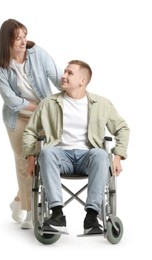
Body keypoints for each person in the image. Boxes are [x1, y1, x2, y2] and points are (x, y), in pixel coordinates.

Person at [22, 60, 130, 234]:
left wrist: (118, 156)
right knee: (46, 151)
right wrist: (30, 158)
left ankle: (92, 217)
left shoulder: (102, 104)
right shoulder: (49, 103)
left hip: (88, 158)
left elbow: (122, 128)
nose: (63, 76)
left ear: (83, 80)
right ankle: (57, 214)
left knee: (101, 154)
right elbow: (30, 131)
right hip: (60, 157)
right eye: (65, 72)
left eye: (69, 73)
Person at [0, 19, 63, 229]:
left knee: (44, 160)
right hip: (18, 118)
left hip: (43, 117)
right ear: (7, 42)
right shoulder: (0, 67)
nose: (23, 41)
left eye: (24, 36)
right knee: (25, 163)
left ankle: (19, 201)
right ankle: (31, 211)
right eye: (18, 38)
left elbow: (58, 77)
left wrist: (74, 89)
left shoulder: (37, 53)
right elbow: (11, 100)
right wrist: (37, 106)